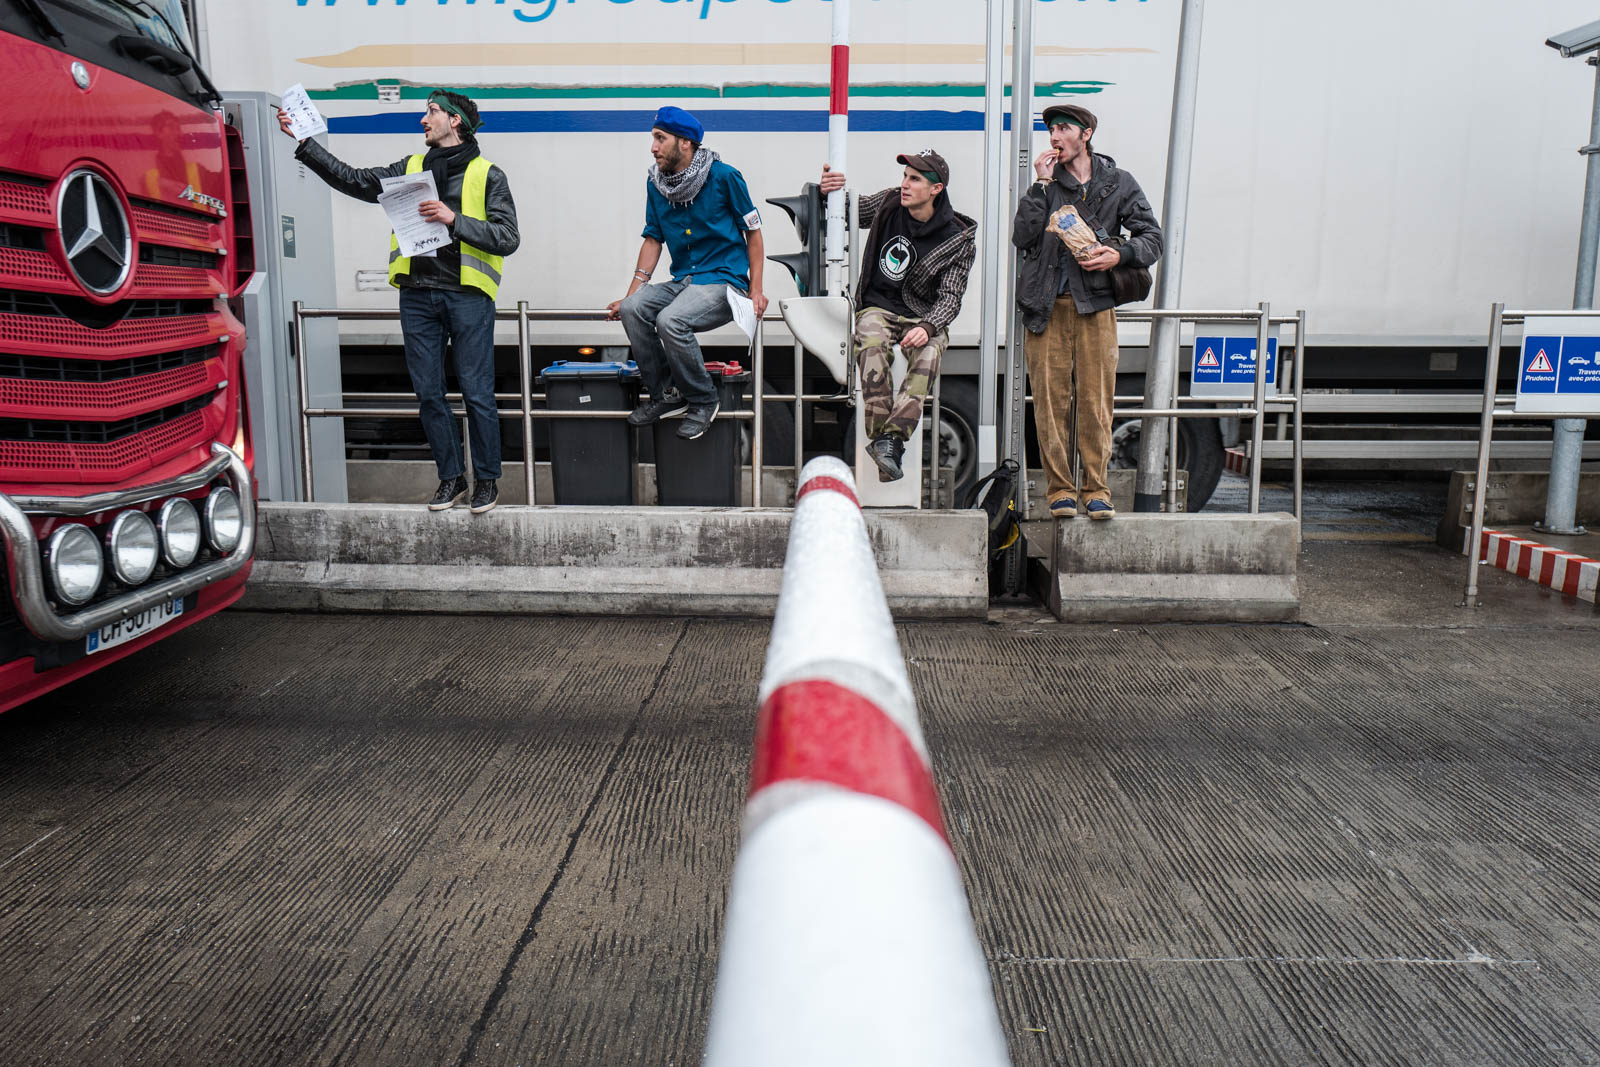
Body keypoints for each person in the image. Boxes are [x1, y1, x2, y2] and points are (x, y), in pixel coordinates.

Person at [279, 90, 520, 514]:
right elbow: (353, 180)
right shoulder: (409, 168)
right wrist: (305, 144)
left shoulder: (488, 174)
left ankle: (487, 481)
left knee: (477, 392)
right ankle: (451, 478)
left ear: (455, 121)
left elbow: (507, 238)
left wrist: (453, 219)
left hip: (468, 295)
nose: (423, 120)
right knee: (428, 393)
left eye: (431, 112)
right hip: (417, 294)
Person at [1012, 104, 1162, 520]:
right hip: (1046, 309)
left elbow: (1152, 237)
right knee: (1049, 402)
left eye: (1063, 129)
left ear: (1087, 133)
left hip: (1095, 307)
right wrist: (1039, 186)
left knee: (1097, 403)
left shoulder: (1118, 183)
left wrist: (1119, 254)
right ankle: (1059, 489)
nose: (1054, 137)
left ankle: (1097, 490)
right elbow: (1022, 236)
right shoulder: (1045, 185)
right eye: (1050, 130)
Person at [607, 107, 767, 440]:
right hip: (685, 281)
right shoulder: (656, 184)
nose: (653, 147)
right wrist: (631, 292)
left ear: (685, 143)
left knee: (670, 320)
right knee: (632, 309)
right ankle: (667, 394)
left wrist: (756, 290)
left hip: (724, 280)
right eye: (653, 138)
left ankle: (704, 400)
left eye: (660, 138)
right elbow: (653, 239)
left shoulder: (725, 177)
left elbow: (753, 234)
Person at [819, 150, 976, 481]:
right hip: (877, 306)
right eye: (905, 176)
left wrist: (928, 326)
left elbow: (951, 296)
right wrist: (827, 192)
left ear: (936, 189)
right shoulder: (889, 203)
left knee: (930, 352)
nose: (904, 184)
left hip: (922, 314)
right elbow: (847, 210)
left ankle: (890, 440)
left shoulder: (957, 238)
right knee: (871, 340)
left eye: (915, 179)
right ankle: (885, 441)